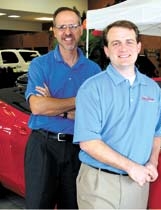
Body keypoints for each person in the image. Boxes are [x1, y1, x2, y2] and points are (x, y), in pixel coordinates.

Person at [73, 20, 161, 209]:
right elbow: (89, 142)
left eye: (129, 42)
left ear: (138, 47)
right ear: (107, 50)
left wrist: (152, 163)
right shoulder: (91, 89)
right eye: (116, 43)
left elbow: (156, 134)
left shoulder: (153, 89)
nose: (123, 48)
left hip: (138, 184)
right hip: (100, 183)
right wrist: (132, 167)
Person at [24, 7, 101, 209]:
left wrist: (56, 105)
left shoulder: (93, 70)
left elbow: (96, 116)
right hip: (43, 146)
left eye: (73, 26)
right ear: (54, 30)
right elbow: (38, 107)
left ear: (81, 29)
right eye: (62, 27)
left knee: (74, 205)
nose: (68, 32)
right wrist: (80, 101)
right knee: (38, 205)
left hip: (79, 148)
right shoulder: (40, 65)